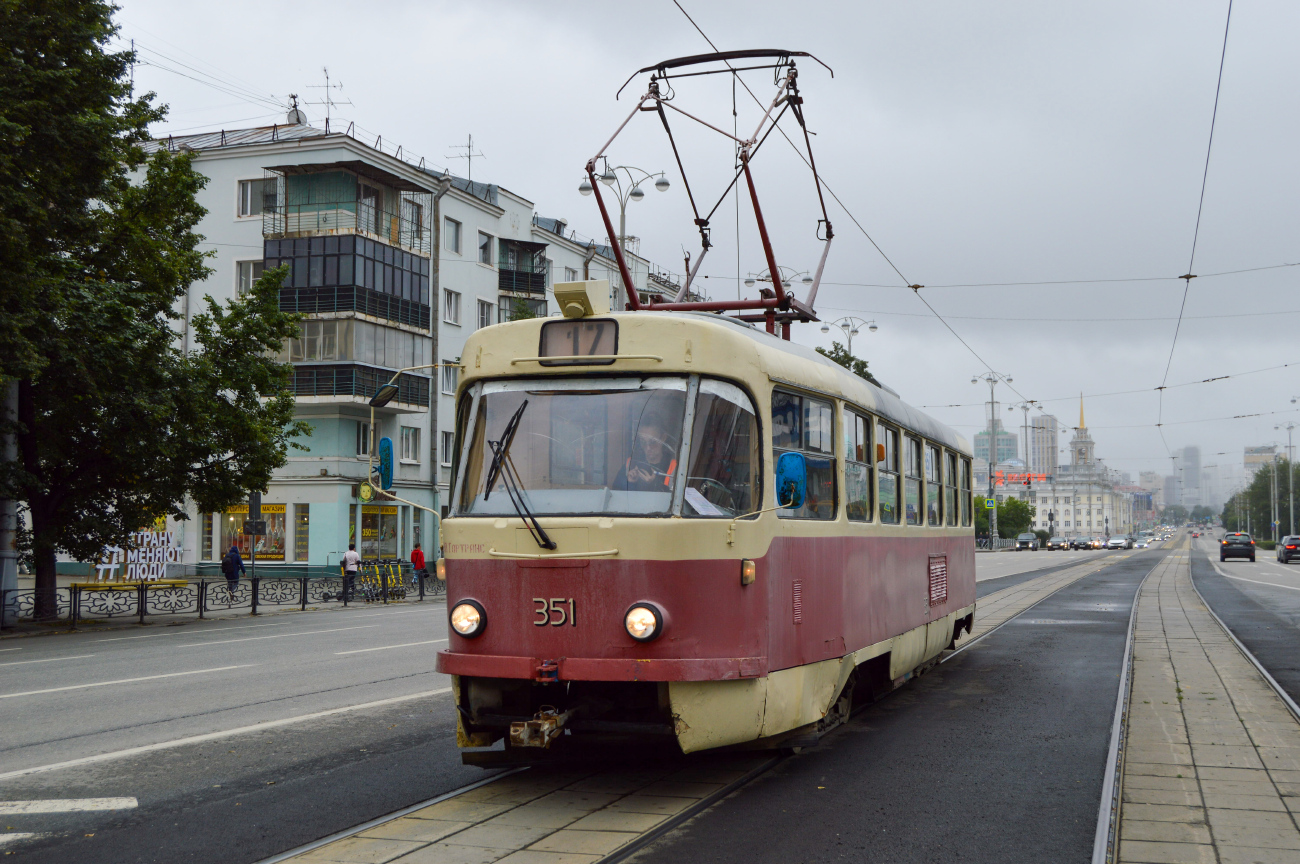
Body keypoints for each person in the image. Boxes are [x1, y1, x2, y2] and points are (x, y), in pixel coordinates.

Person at [615, 416, 677, 492]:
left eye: (652, 442)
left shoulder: (673, 467)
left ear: (663, 438)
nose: (648, 448)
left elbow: (676, 497)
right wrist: (630, 483)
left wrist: (654, 485)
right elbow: (616, 492)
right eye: (643, 442)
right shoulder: (631, 463)